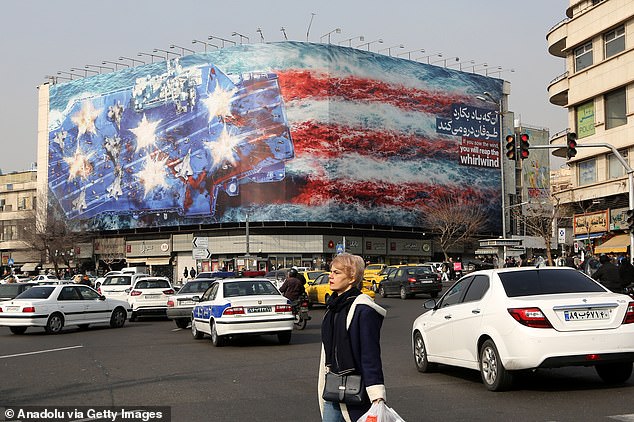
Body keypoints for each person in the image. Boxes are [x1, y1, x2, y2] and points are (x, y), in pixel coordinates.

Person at [318, 253, 386, 422]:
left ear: (351, 278)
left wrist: (377, 396)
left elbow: (370, 354)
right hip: (333, 387)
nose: (330, 276)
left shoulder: (363, 309)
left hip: (357, 390)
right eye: (331, 271)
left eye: (337, 272)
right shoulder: (333, 307)